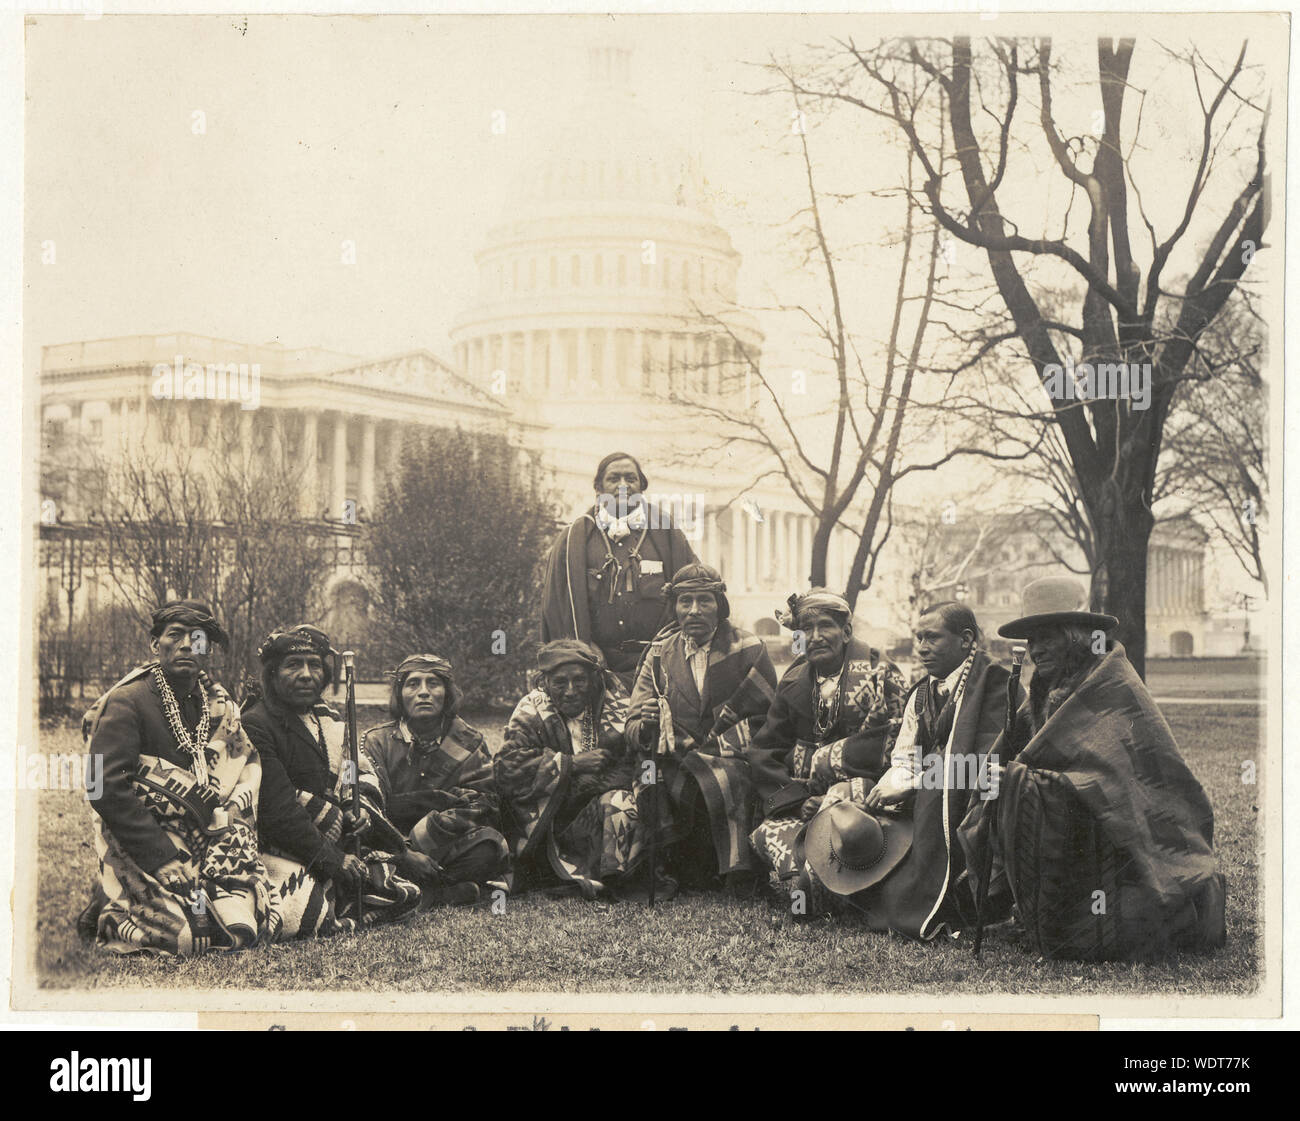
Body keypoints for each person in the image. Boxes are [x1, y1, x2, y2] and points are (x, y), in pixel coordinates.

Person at [957, 576, 1226, 960]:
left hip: (1125, 853)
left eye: (1047, 637)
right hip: (1074, 841)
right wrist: (1000, 777)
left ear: (1076, 635)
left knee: (1130, 925)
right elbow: (1009, 753)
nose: (1037, 650)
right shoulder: (1043, 689)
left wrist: (1020, 783)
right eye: (1031, 641)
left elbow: (1115, 787)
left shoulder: (1112, 685)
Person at [803, 602, 1014, 939]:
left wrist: (913, 787)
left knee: (896, 893)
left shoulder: (995, 687)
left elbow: (984, 765)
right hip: (929, 799)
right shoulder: (921, 694)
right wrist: (890, 791)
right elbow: (904, 758)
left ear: (965, 639)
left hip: (971, 807)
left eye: (932, 638)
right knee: (852, 800)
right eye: (918, 638)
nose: (922, 648)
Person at [81, 600, 280, 955]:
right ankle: (112, 909)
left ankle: (206, 893)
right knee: (187, 939)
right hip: (145, 843)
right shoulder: (129, 701)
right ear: (154, 644)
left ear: (208, 650)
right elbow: (103, 786)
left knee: (242, 929)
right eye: (176, 635)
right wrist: (161, 856)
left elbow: (243, 771)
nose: (188, 645)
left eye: (199, 638)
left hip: (209, 843)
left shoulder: (216, 705)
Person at [241, 624, 422, 937]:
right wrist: (332, 860)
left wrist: (357, 804)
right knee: (306, 910)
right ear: (272, 674)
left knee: (403, 887)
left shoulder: (330, 721)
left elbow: (350, 770)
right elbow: (278, 808)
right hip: (281, 846)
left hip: (335, 839)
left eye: (315, 665)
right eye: (293, 665)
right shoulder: (256, 723)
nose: (307, 674)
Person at [745, 589, 907, 912]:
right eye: (806, 630)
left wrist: (824, 765)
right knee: (767, 834)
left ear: (846, 631)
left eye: (825, 627)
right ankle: (817, 879)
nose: (815, 637)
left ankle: (829, 885)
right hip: (804, 798)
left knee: (838, 815)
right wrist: (798, 799)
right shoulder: (793, 681)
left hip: (867, 793)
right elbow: (765, 749)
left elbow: (893, 742)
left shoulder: (880, 674)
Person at [624, 564, 777, 890]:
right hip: (675, 759)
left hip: (731, 757)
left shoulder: (749, 649)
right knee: (649, 774)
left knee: (731, 775)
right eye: (685, 601)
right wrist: (648, 724)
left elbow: (768, 720)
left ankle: (739, 872)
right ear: (674, 606)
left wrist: (715, 749)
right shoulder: (658, 655)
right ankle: (666, 867)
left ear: (719, 605)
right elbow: (632, 724)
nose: (694, 610)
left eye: (704, 600)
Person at [495, 639, 667, 900]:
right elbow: (507, 767)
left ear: (594, 679)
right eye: (560, 683)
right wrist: (571, 765)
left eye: (580, 681)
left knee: (622, 802)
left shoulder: (618, 704)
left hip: (604, 816)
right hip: (550, 823)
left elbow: (637, 763)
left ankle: (615, 879)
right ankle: (566, 874)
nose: (571, 691)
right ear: (544, 682)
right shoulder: (532, 707)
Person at [539, 451, 698, 687]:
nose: (623, 486)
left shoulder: (667, 534)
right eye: (614, 479)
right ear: (598, 488)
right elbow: (555, 607)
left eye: (630, 479)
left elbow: (695, 589)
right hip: (593, 668)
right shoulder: (573, 538)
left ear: (642, 487)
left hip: (660, 667)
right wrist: (582, 651)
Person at [361, 653, 509, 906]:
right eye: (413, 684)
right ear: (400, 695)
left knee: (489, 847)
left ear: (447, 693)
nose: (423, 692)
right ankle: (440, 894)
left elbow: (484, 803)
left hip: (442, 844)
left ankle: (409, 892)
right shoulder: (375, 742)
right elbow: (370, 805)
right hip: (390, 846)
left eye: (434, 683)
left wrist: (425, 832)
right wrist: (404, 852)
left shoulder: (469, 741)